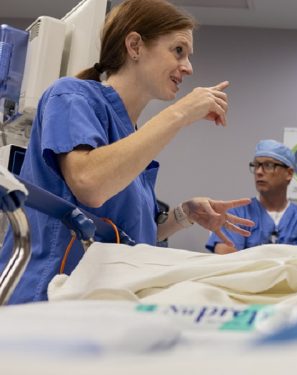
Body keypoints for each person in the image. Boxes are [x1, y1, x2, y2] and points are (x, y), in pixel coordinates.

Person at [0, 0, 254, 304]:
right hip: (49, 296)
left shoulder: (132, 137)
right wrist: (179, 114)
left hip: (102, 302)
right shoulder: (70, 96)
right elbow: (90, 185)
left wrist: (184, 214)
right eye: (178, 51)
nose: (188, 67)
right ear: (135, 46)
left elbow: (128, 234)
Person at [205, 140, 297, 254]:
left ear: (289, 173)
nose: (258, 171)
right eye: (256, 165)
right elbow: (226, 256)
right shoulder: (236, 214)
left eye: (268, 165)